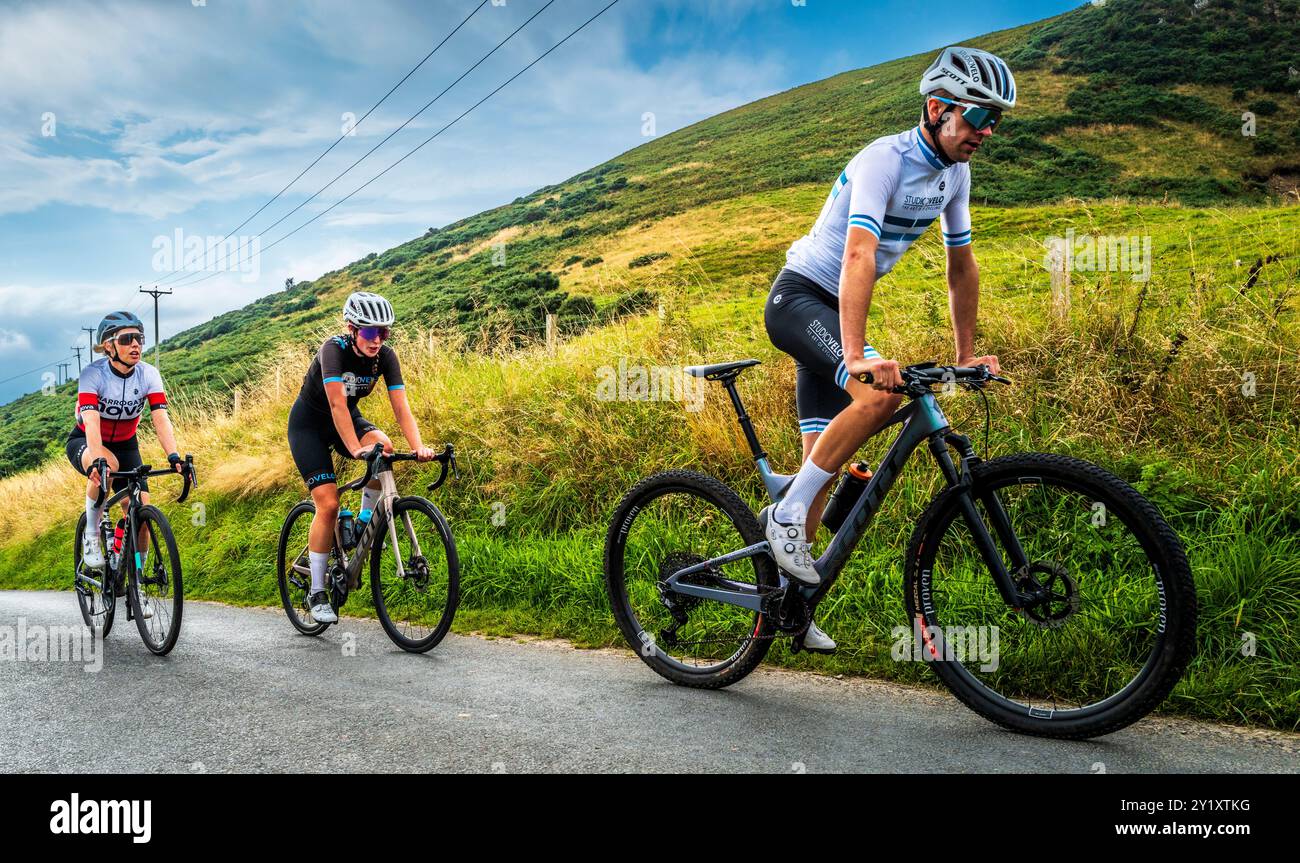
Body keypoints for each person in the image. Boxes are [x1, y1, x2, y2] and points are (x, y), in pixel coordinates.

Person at [762, 46, 1013, 651]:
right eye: (976, 117)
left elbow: (962, 268)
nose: (985, 131)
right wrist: (855, 356)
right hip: (801, 301)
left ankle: (785, 611)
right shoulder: (885, 159)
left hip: (832, 309)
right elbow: (858, 256)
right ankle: (782, 516)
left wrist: (966, 354)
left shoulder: (955, 174)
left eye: (995, 121)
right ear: (937, 108)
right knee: (877, 399)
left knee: (820, 477)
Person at [287, 291, 438, 624]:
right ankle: (316, 591)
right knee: (327, 505)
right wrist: (355, 449)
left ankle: (362, 521)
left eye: (383, 332)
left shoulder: (385, 356)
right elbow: (337, 404)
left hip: (347, 422)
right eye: (370, 332)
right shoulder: (333, 350)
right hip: (310, 426)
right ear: (351, 328)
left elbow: (401, 407)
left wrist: (419, 446)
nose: (377, 340)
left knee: (383, 446)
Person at [68, 311, 185, 602]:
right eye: (127, 339)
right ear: (109, 346)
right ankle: (92, 536)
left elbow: (160, 418)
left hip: (126, 443)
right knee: (108, 467)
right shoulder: (93, 375)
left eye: (139, 339)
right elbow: (92, 422)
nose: (136, 345)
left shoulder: (148, 373)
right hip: (87, 439)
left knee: (141, 512)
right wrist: (97, 459)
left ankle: (135, 581)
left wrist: (173, 456)